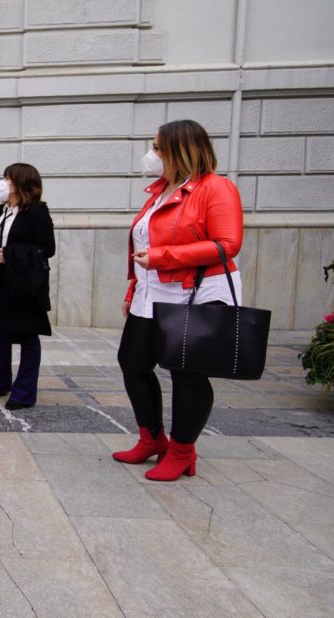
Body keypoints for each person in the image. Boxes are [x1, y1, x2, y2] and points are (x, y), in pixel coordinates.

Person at [113, 119, 243, 482]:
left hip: (195, 293)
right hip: (150, 292)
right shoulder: (160, 191)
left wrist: (163, 257)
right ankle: (152, 439)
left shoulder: (216, 188)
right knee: (133, 362)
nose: (150, 154)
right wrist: (132, 289)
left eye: (157, 147)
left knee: (186, 373)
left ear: (179, 150)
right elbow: (142, 244)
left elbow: (227, 244)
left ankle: (183, 451)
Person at [0, 163, 55, 410]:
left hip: (24, 286)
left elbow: (48, 249)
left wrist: (13, 255)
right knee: (0, 333)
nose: (2, 183)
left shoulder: (36, 212)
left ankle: (24, 392)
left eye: (7, 179)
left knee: (27, 338)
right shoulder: (1, 211)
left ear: (21, 183)